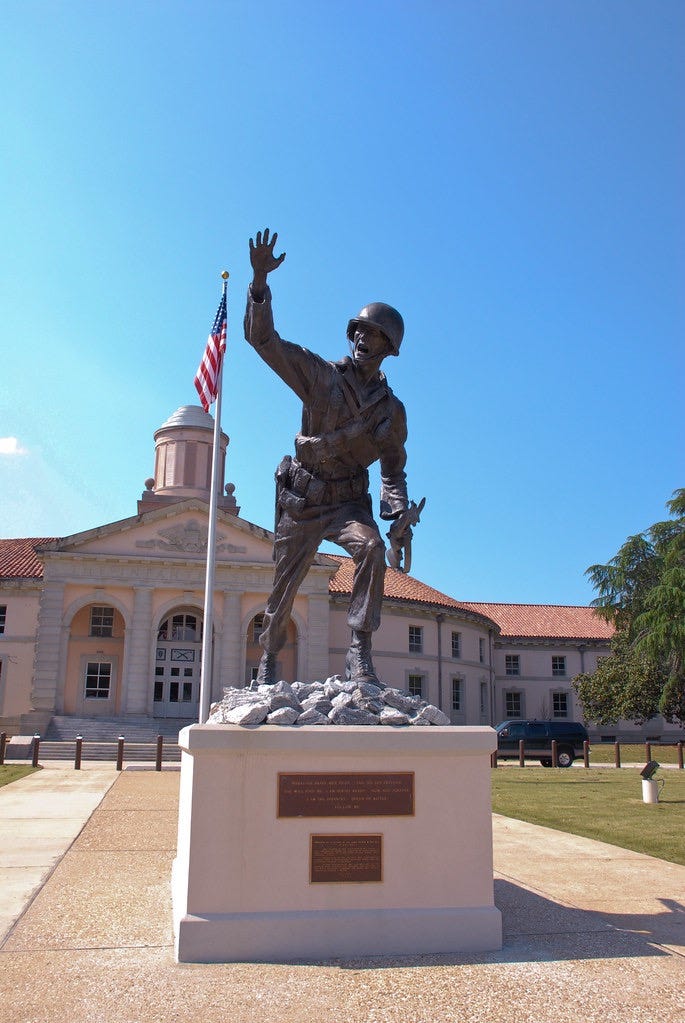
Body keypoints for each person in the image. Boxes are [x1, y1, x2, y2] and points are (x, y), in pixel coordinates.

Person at [244, 228, 413, 687]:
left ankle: (359, 653)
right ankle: (268, 660)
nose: (363, 339)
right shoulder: (320, 376)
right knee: (284, 587)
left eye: (374, 335)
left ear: (388, 348)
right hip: (303, 499)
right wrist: (259, 283)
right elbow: (264, 341)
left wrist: (398, 512)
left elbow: (393, 471)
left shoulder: (391, 411)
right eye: (360, 331)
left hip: (347, 504)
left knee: (371, 549)